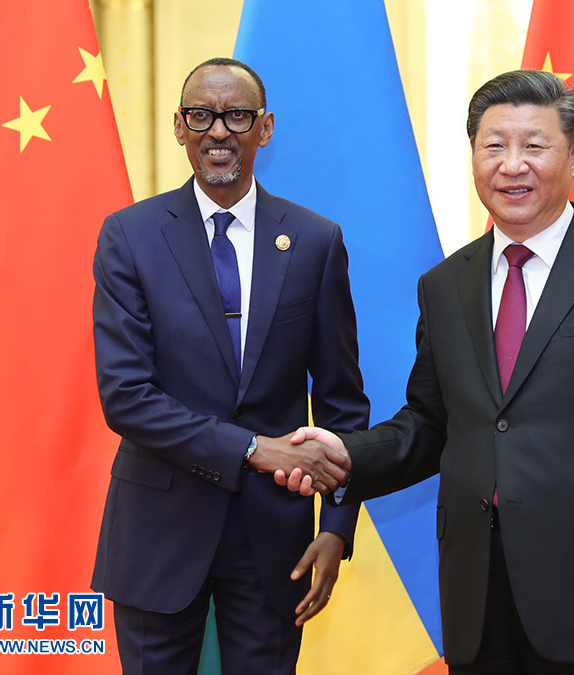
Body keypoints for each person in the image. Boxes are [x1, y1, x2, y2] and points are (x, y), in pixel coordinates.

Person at [284, 70, 574, 674]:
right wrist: (343, 455)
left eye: (534, 145)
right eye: (494, 146)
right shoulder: (446, 284)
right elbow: (432, 424)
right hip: (478, 593)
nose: (512, 165)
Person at [90, 57, 367, 674]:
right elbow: (127, 396)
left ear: (264, 128)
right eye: (201, 116)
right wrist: (252, 449)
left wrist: (337, 525)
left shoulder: (315, 241)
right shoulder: (130, 236)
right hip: (158, 531)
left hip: (275, 538)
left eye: (237, 115)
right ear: (179, 127)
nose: (219, 131)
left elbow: (343, 404)